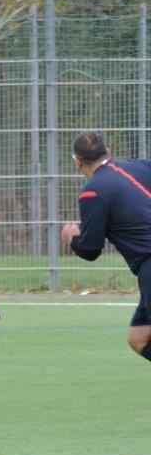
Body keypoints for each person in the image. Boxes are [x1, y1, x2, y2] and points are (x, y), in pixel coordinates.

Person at [60, 131, 151, 364]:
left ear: (77, 161)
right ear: (107, 151)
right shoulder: (140, 166)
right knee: (139, 337)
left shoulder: (92, 191)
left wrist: (71, 237)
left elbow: (90, 250)